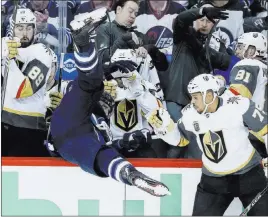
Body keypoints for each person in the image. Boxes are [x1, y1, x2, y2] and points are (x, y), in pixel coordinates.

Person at [50, 9, 170, 197]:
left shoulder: (103, 123)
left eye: (108, 102)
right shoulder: (87, 100)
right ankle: (127, 173)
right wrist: (106, 70)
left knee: (99, 153)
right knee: (90, 84)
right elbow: (77, 85)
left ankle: (129, 174)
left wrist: (126, 142)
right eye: (106, 100)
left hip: (70, 141)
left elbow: (107, 146)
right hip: (72, 123)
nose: (108, 102)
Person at [147, 73, 268, 215]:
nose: (192, 101)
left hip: (249, 176)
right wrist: (164, 128)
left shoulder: (239, 105)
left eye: (196, 97)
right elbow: (180, 139)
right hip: (213, 182)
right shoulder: (190, 115)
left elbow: (265, 129)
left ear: (209, 96)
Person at [164, 4, 231, 158]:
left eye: (209, 20)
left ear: (215, 24)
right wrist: (201, 11)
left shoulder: (214, 44)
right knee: (180, 143)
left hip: (199, 106)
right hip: (178, 100)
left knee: (197, 146)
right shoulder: (183, 36)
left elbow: (227, 62)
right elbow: (180, 20)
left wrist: (205, 49)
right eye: (201, 19)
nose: (204, 23)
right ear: (194, 20)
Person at [1, 8, 53, 156]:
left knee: (23, 177)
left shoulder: (42, 52)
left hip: (29, 130)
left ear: (34, 29)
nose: (24, 33)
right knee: (5, 178)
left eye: (29, 28)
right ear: (12, 29)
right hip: (3, 125)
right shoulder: (3, 47)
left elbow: (22, 90)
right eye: (19, 28)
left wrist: (7, 61)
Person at [96, 0, 169, 73]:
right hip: (112, 82)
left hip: (140, 82)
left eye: (136, 13)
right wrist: (122, 40)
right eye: (130, 11)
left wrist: (153, 49)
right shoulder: (105, 29)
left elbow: (163, 67)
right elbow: (102, 60)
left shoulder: (140, 36)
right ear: (119, 10)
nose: (133, 16)